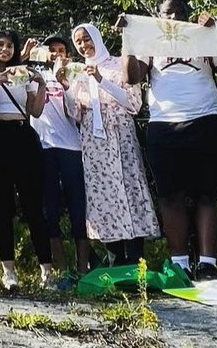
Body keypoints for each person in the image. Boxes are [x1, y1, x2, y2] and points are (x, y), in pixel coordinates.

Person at [124, 0, 217, 281]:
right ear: (158, 16)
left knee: (207, 194)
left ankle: (208, 263)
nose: (172, 18)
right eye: (166, 14)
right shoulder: (150, 41)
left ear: (187, 13)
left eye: (177, 12)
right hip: (164, 124)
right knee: (170, 196)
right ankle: (180, 263)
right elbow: (132, 77)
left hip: (205, 119)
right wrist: (129, 40)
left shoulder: (204, 36)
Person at [65, 23, 159, 265]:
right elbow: (74, 112)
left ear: (97, 37)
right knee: (103, 194)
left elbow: (133, 103)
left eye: (87, 39)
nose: (84, 45)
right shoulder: (78, 72)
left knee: (129, 188)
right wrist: (67, 86)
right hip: (94, 141)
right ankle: (115, 256)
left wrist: (100, 79)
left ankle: (136, 256)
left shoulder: (119, 64)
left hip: (121, 134)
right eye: (79, 42)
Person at [0, 30, 54, 291]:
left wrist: (41, 84)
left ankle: (47, 270)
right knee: (2, 206)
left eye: (9, 46)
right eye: (0, 44)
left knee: (33, 205)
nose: (4, 50)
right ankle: (8, 271)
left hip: (23, 136)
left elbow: (36, 110)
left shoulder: (23, 74)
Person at [27, 34, 90, 286]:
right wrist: (25, 56)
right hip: (43, 146)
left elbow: (79, 111)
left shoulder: (77, 75)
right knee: (49, 211)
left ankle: (83, 268)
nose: (56, 53)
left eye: (61, 49)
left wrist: (66, 83)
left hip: (72, 146)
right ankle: (62, 270)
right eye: (51, 50)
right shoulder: (34, 76)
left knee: (78, 210)